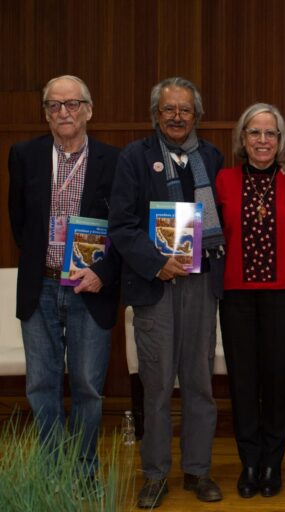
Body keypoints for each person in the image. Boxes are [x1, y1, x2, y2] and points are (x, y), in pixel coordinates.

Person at [108, 77, 225, 508]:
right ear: (156, 114)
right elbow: (121, 225)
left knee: (199, 384)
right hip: (154, 286)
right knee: (156, 387)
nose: (177, 117)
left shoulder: (211, 157)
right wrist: (158, 263)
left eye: (186, 110)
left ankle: (198, 471)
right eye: (169, 110)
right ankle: (155, 475)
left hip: (200, 283)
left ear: (197, 115)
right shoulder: (134, 158)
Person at [7, 75, 121, 478]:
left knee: (89, 386)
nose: (63, 112)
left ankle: (86, 468)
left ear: (88, 110)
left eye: (72, 104)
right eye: (55, 106)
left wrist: (101, 273)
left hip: (90, 288)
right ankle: (53, 469)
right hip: (40, 286)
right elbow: (19, 222)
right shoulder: (24, 155)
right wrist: (46, 261)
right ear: (46, 114)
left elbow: (123, 227)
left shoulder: (114, 159)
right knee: (41, 386)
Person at [216, 103, 285, 499]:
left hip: (284, 295)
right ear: (243, 138)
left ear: (280, 140)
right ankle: (249, 461)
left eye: (270, 133)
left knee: (278, 379)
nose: (263, 140)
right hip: (235, 295)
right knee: (243, 382)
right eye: (255, 132)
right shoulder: (222, 180)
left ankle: (273, 461)